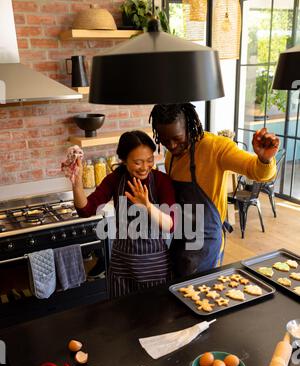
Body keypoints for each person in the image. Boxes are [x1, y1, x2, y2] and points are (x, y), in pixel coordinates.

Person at [149, 103, 279, 277]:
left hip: (207, 241)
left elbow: (255, 171)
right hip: (181, 237)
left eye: (177, 138)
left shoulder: (216, 147)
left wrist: (264, 160)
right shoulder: (171, 156)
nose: (171, 146)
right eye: (165, 140)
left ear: (189, 126)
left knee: (202, 295)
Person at [67, 130, 175, 298]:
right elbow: (85, 210)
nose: (145, 167)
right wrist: (76, 183)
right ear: (123, 160)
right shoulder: (115, 179)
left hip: (155, 268)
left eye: (149, 160)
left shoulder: (161, 181)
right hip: (122, 268)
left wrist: (147, 205)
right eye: (138, 162)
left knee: (156, 318)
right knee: (121, 320)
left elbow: (170, 225)